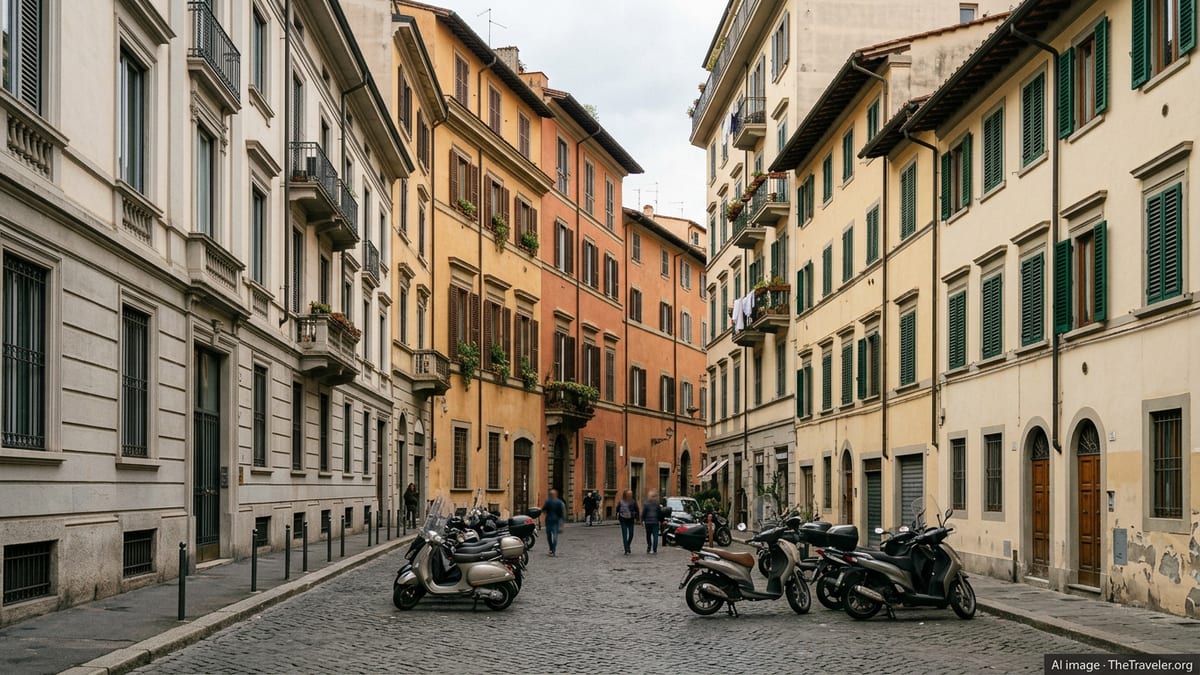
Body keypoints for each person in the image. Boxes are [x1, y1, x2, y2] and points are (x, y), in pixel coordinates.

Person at [541, 489, 566, 556]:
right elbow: (561, 514)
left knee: (551, 536)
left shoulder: (549, 501)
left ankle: (552, 549)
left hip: (551, 520)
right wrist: (561, 523)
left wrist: (545, 513)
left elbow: (543, 510)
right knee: (553, 536)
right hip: (554, 520)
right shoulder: (558, 502)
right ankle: (552, 549)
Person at [616, 489, 639, 555]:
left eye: (631, 494)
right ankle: (626, 549)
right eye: (629, 494)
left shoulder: (633, 502)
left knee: (631, 534)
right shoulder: (621, 502)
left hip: (631, 519)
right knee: (624, 534)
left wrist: (637, 518)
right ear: (625, 495)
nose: (630, 495)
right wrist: (618, 514)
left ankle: (628, 544)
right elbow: (617, 509)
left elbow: (637, 509)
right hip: (623, 519)